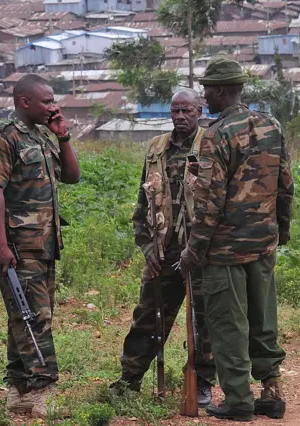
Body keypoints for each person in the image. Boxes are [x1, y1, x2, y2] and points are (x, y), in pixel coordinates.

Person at [179, 57, 294, 422]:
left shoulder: (217, 134)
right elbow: (286, 184)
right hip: (264, 241)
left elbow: (209, 200)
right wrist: (282, 230)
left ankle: (239, 400)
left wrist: (194, 250)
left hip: (225, 249)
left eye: (208, 90)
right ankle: (272, 392)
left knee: (228, 323)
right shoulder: (271, 124)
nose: (205, 96)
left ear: (223, 90)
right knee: (263, 319)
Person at [0, 74, 80, 418]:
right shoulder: (3, 138)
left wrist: (63, 136)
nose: (53, 106)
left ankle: (18, 391)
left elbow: (72, 176)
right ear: (24, 102)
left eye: (53, 100)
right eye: (47, 101)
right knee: (34, 317)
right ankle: (40, 393)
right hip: (18, 246)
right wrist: (0, 245)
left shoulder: (43, 135)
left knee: (22, 316)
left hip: (45, 244)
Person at [109, 89, 216, 407]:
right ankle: (130, 379)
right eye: (175, 111)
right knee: (148, 317)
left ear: (200, 110)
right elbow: (143, 204)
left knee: (204, 321)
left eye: (187, 111)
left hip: (200, 251)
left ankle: (203, 382)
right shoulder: (157, 148)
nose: (180, 116)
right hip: (164, 250)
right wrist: (147, 248)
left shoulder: (210, 146)